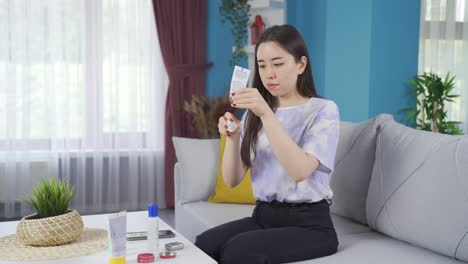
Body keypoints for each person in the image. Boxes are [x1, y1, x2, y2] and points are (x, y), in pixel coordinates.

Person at [195, 24, 340, 264]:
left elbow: (300, 171)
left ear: (301, 65)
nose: (269, 73)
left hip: (310, 226)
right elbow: (231, 180)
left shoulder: (323, 110)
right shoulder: (255, 114)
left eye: (278, 63)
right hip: (264, 216)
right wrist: (231, 139)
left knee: (239, 250)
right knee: (204, 244)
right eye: (262, 65)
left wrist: (266, 114)